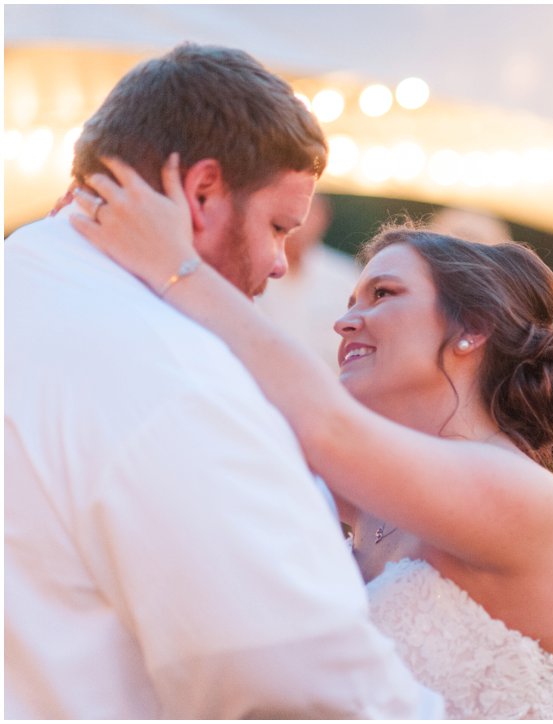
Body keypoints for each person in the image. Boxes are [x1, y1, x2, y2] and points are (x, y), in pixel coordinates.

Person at [71, 154, 553, 718]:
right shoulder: (361, 496)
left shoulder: (527, 498)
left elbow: (321, 423)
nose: (345, 323)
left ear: (472, 328)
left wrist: (177, 268)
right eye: (351, 302)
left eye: (384, 295)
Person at [4, 44, 440, 719]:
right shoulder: (170, 373)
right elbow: (295, 680)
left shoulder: (24, 279)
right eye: (276, 227)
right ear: (202, 192)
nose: (276, 264)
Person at [255, 193, 362, 370]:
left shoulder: (344, 275)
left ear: (323, 218)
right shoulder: (255, 270)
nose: (300, 223)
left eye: (309, 213)